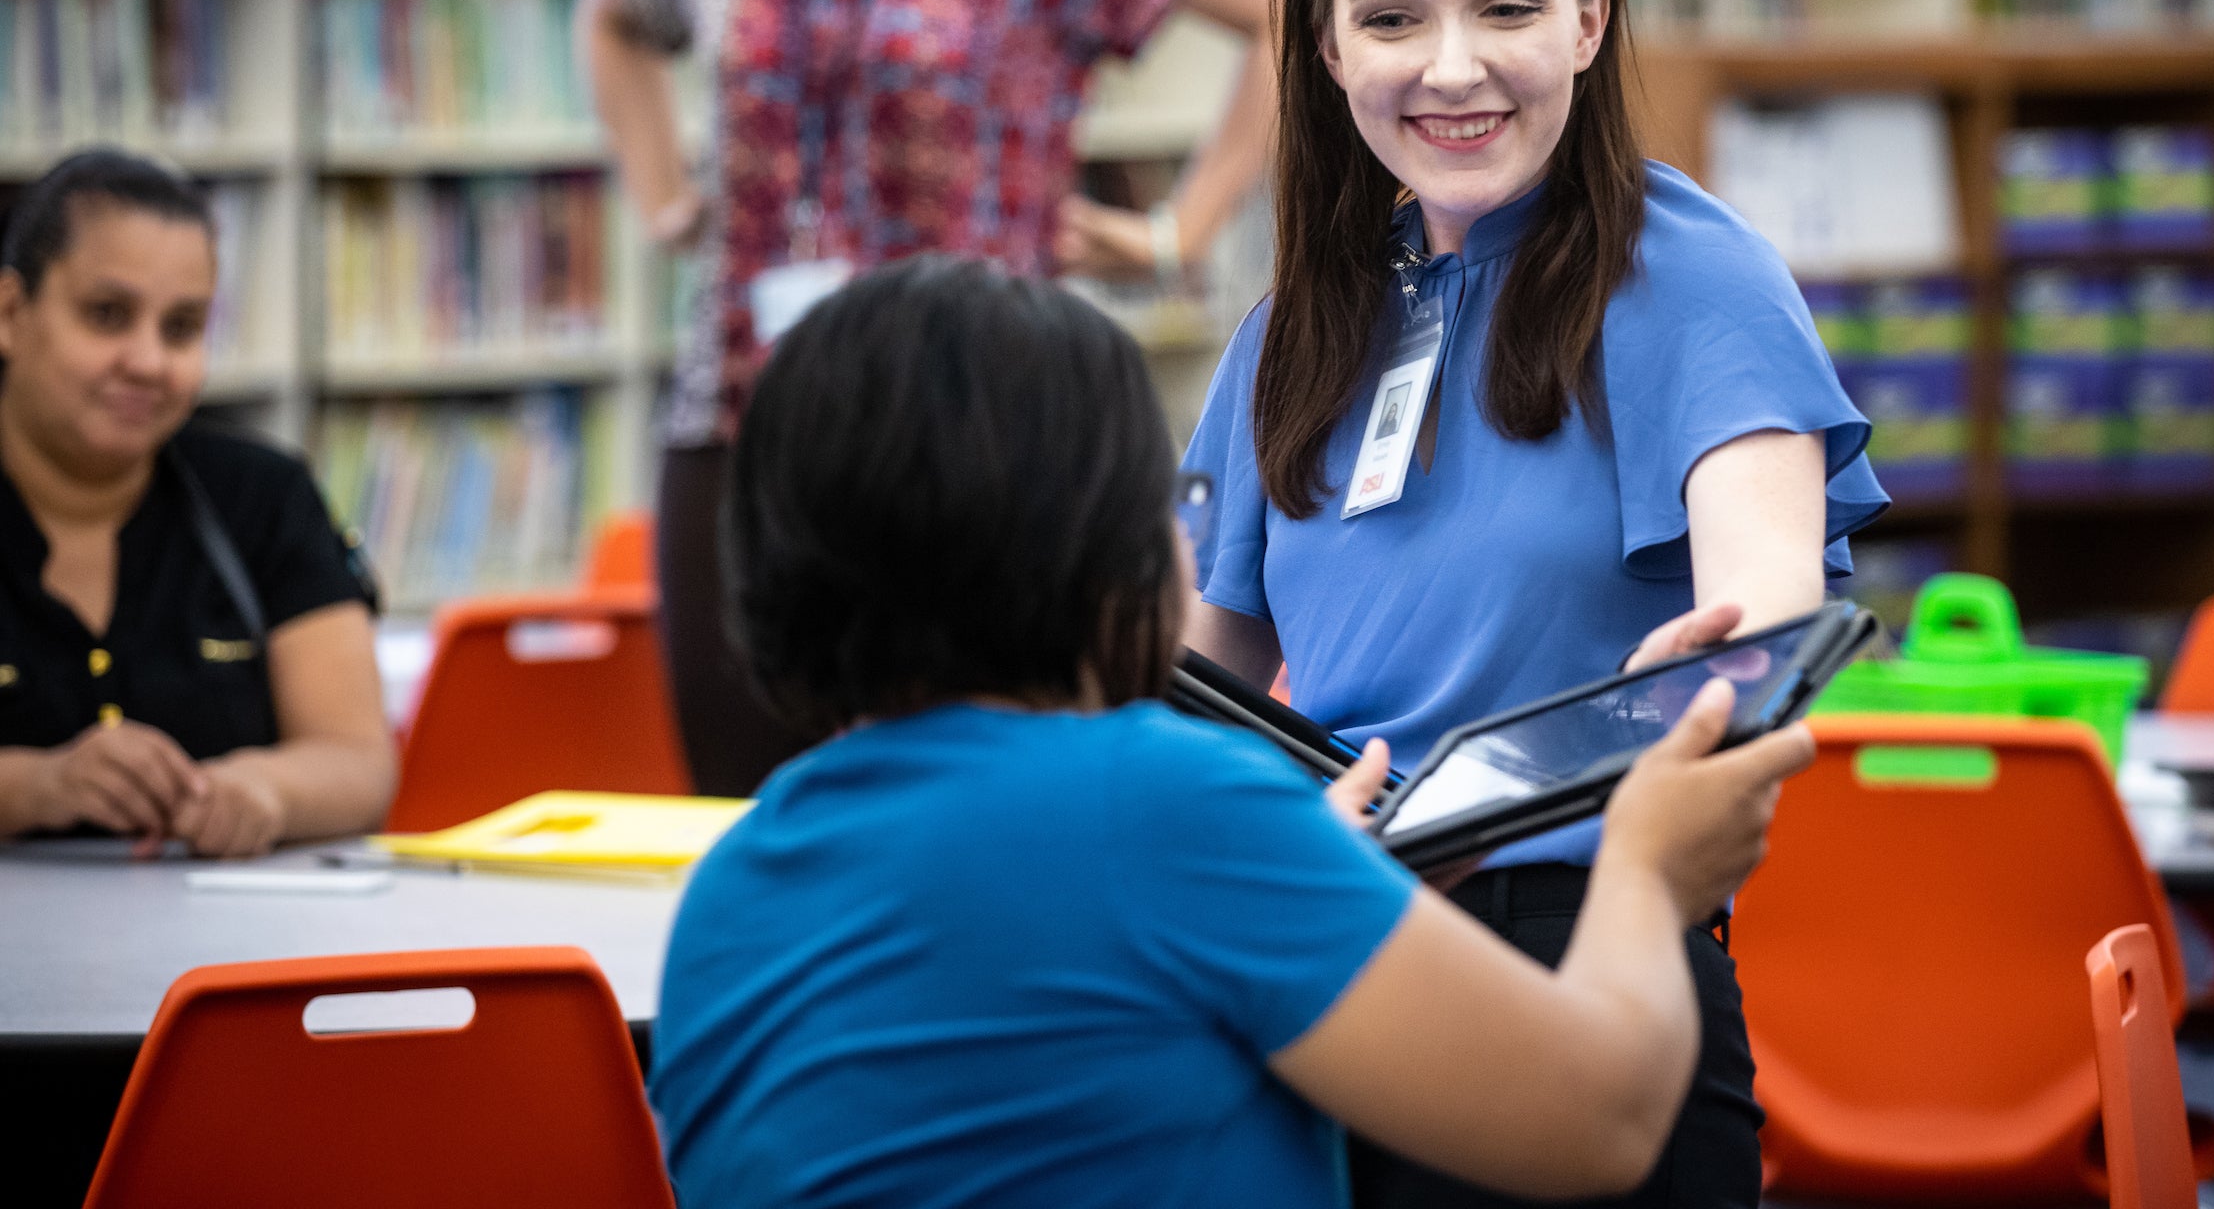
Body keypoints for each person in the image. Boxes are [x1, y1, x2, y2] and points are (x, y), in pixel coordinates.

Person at [648, 255, 1818, 1209]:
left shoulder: (728, 893)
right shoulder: (1161, 802)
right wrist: (1648, 871)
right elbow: (1599, 1123)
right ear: (1091, 547)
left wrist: (1319, 885)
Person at [1179, 0, 1890, 1209]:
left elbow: (1764, 603)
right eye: (1390, 19)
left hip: (1584, 949)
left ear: (1590, 20)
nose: (1451, 69)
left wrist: (1723, 659)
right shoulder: (1289, 334)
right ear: (1323, 51)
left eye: (1506, 7)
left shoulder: (1691, 272)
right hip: (1326, 966)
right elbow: (1204, 689)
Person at [578, 0, 1278, 797]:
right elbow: (610, 12)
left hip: (986, 426)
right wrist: (661, 195)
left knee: (1001, 800)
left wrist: (1184, 228)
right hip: (747, 414)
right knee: (750, 810)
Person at [0, 151, 393, 856]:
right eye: (107, 315)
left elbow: (359, 759)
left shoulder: (264, 495)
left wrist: (265, 788)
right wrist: (36, 786)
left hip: (231, 947)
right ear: (9, 313)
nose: (148, 361)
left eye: (181, 328)